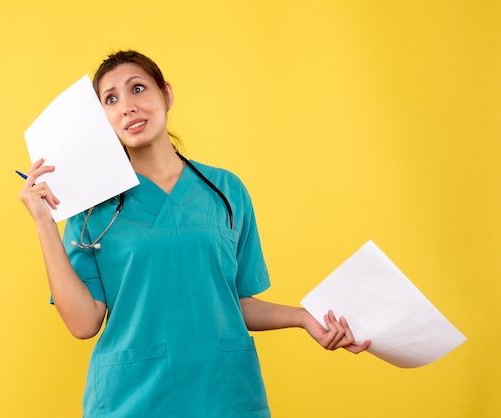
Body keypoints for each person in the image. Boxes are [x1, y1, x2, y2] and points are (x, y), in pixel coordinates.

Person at [19, 50, 371, 418]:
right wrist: (45, 222)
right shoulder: (92, 208)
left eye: (137, 88)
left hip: (223, 393)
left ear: (166, 95)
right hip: (132, 399)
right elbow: (83, 322)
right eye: (111, 99)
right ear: (102, 121)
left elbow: (231, 301)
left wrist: (303, 318)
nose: (127, 107)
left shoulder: (226, 191)